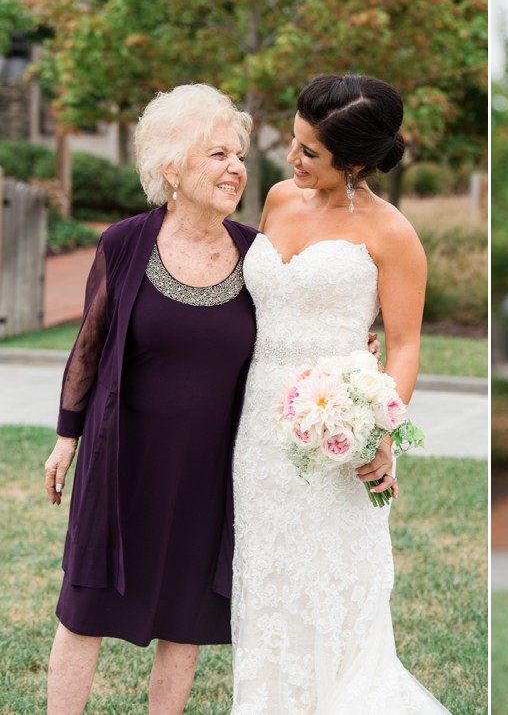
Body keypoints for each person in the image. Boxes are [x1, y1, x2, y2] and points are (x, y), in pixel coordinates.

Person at [230, 73, 447, 713]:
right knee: (266, 580)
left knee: (332, 583)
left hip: (337, 433)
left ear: (354, 162)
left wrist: (377, 434)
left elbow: (404, 343)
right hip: (257, 432)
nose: (291, 160)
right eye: (293, 144)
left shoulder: (392, 233)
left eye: (309, 153)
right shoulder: (275, 199)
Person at [43, 84, 257, 714]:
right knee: (84, 607)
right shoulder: (124, 243)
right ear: (172, 169)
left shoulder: (257, 254)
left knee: (185, 617)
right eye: (217, 154)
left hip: (209, 471)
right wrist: (66, 437)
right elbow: (89, 343)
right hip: (121, 460)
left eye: (239, 154)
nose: (236, 167)